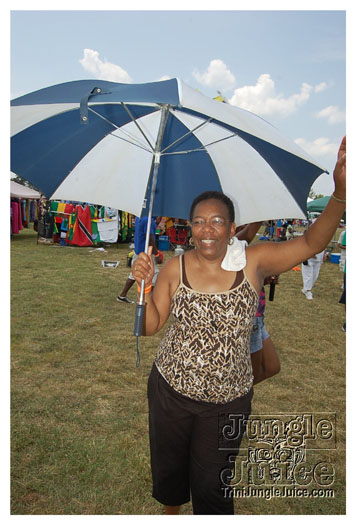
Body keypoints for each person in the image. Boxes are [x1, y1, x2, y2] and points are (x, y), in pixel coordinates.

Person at [131, 136, 346, 515]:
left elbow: (313, 242)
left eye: (216, 221)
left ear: (232, 228)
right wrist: (145, 288)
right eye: (199, 221)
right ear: (190, 227)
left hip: (226, 401)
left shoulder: (254, 261)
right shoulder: (173, 268)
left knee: (213, 488)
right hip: (171, 392)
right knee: (170, 477)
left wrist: (341, 194)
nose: (207, 229)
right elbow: (149, 328)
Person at [117, 215, 162, 303]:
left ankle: (122, 295)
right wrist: (156, 254)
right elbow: (150, 238)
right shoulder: (149, 221)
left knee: (134, 274)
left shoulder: (140, 217)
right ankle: (148, 299)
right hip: (146, 252)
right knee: (154, 274)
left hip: (138, 250)